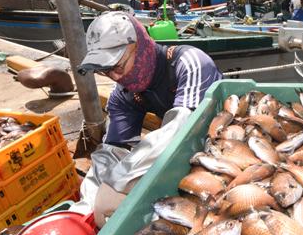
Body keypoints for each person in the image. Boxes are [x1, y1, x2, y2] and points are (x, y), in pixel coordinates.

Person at [78, 12, 222, 147]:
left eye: (118, 66)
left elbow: (185, 133)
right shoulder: (124, 93)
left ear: (141, 47)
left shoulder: (191, 63)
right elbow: (114, 148)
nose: (115, 77)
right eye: (105, 70)